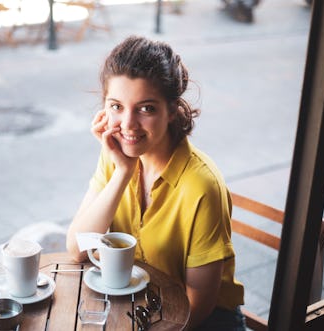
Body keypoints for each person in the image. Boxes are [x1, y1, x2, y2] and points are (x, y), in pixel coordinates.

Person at [66, 35, 245, 330]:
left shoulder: (201, 186)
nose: (127, 125)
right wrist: (123, 174)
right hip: (141, 307)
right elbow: (77, 248)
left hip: (203, 322)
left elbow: (198, 306)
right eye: (116, 106)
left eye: (146, 108)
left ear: (172, 109)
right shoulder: (115, 157)